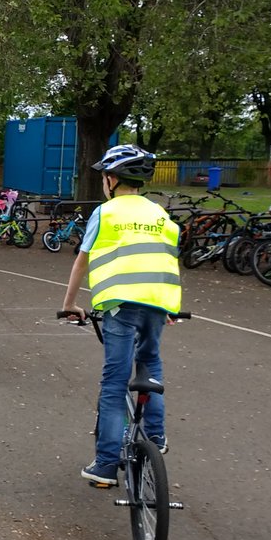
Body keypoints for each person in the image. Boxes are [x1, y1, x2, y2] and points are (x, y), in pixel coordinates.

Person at [60, 144, 181, 488]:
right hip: (158, 302)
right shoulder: (161, 215)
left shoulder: (107, 212)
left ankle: (106, 464)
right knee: (151, 364)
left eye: (103, 176)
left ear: (112, 179)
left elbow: (82, 260)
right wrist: (167, 306)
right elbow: (167, 260)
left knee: (114, 383)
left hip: (120, 305)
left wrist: (70, 303)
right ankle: (155, 439)